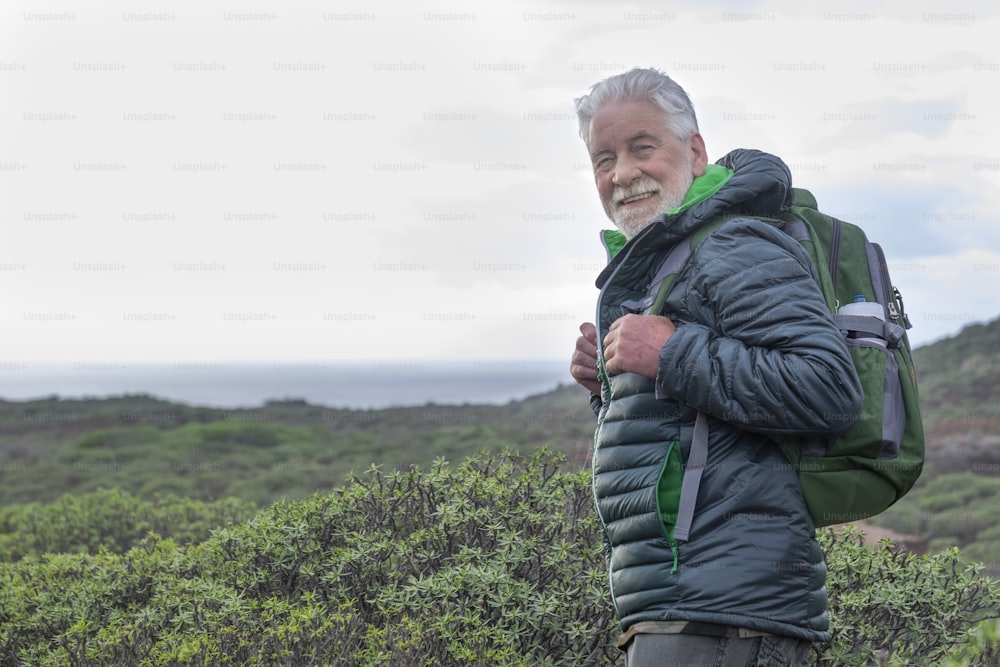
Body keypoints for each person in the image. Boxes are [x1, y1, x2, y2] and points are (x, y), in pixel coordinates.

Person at [568, 67, 864, 666]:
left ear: (695, 151)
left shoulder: (731, 244)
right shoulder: (672, 257)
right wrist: (615, 390)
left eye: (641, 148)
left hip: (726, 619)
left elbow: (828, 386)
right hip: (683, 610)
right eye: (604, 158)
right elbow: (691, 436)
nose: (622, 174)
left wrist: (668, 353)